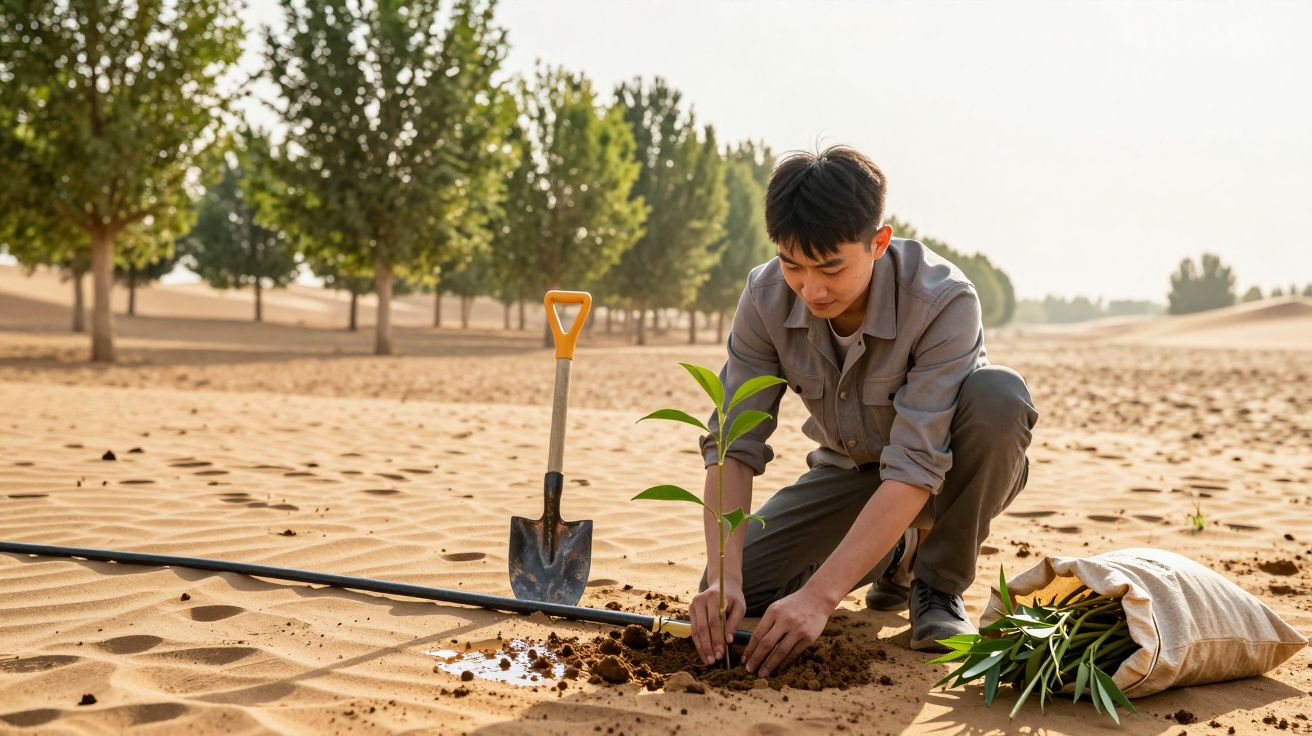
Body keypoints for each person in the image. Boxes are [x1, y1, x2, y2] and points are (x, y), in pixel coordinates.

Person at [689, 145, 1039, 678]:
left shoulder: (943, 299)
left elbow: (917, 462)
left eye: (831, 267)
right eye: (792, 265)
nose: (812, 289)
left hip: (949, 474)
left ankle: (937, 586)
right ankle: (898, 552)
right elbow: (733, 444)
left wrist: (820, 598)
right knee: (744, 586)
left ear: (879, 242)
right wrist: (723, 577)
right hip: (851, 474)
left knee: (999, 396)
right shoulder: (763, 296)